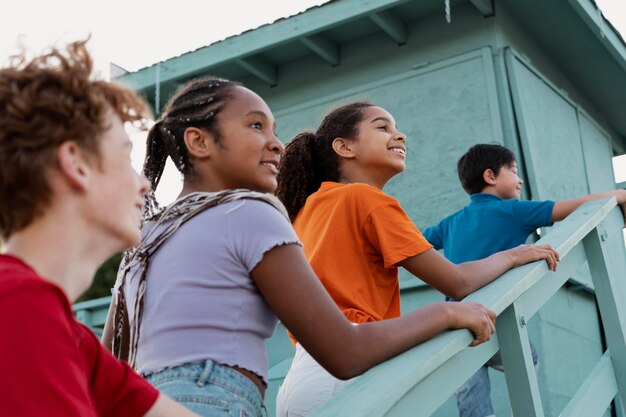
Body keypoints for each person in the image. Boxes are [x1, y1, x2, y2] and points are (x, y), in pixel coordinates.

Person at [101, 77, 506, 417]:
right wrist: (447, 311)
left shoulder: (146, 236)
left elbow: (106, 365)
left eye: (274, 129)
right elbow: (346, 351)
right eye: (256, 126)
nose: (276, 143)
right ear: (199, 142)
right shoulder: (252, 211)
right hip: (223, 397)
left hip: (150, 402)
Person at [273, 102, 560, 416]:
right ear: (344, 146)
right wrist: (514, 254)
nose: (401, 136)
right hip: (349, 377)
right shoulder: (367, 199)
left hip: (303, 379)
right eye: (383, 127)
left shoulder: (308, 209)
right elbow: (457, 281)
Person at [0, 40, 200, 416]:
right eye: (125, 157)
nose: (143, 184)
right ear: (76, 164)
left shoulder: (68, 338)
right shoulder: (17, 306)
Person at [421, 142, 626, 417]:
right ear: (490, 176)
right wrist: (619, 195)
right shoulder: (515, 211)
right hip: (495, 318)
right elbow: (573, 207)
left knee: (469, 389)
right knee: (528, 359)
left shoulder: (450, 223)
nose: (519, 180)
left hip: (458, 321)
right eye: (514, 171)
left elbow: (417, 240)